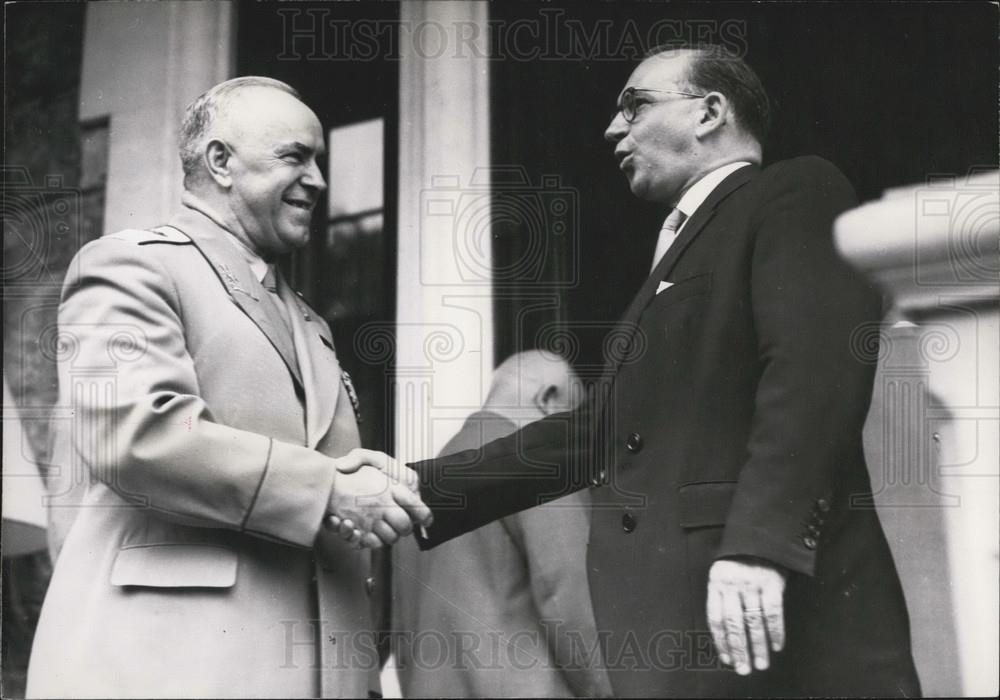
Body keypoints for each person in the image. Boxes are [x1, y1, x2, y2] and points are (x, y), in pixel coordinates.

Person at [402, 46, 922, 696]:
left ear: (709, 112)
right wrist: (413, 487)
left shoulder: (794, 193)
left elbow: (812, 373)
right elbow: (591, 434)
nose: (612, 129)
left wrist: (761, 545)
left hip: (770, 625)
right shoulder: (675, 257)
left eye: (635, 105)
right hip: (684, 646)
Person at [26, 76, 430, 699]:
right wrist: (329, 489)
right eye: (295, 157)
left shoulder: (313, 324)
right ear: (220, 162)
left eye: (319, 159)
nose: (319, 179)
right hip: (173, 671)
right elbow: (137, 432)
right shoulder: (133, 265)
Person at [391, 351, 612, 698]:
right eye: (575, 422)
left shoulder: (422, 489)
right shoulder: (536, 469)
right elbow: (569, 600)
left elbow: (402, 634)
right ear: (548, 400)